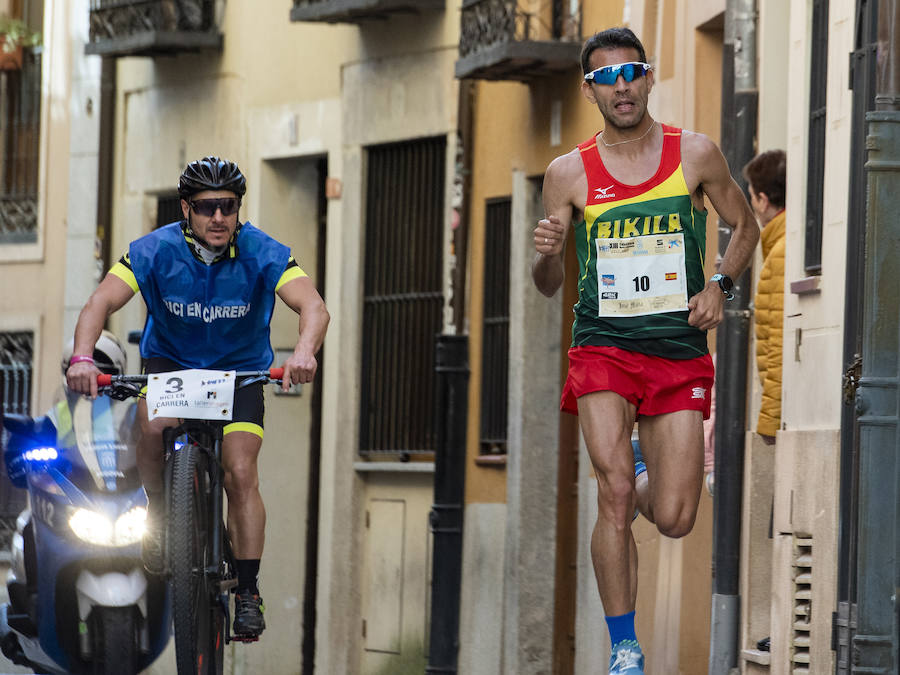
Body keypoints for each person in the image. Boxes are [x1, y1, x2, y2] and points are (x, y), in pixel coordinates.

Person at [532, 28, 759, 674]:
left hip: (675, 346)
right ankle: (624, 643)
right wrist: (548, 254)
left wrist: (720, 284)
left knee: (676, 515)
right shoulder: (568, 173)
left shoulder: (697, 154)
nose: (621, 86)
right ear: (590, 90)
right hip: (603, 346)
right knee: (609, 495)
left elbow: (744, 224)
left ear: (648, 77)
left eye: (631, 72)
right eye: (607, 77)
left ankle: (638, 467)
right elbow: (548, 286)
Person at [65, 156, 330, 640]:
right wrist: (83, 357)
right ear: (186, 209)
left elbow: (312, 305)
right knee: (150, 425)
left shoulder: (262, 251)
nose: (218, 218)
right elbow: (99, 302)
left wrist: (306, 353)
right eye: (207, 207)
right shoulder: (153, 250)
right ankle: (161, 511)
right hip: (173, 368)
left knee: (241, 471)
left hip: (240, 375)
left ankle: (248, 591)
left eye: (228, 206)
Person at [743, 150, 786, 445]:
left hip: (783, 414)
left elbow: (777, 342)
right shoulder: (782, 245)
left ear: (763, 200)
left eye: (751, 199)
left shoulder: (781, 254)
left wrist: (768, 420)